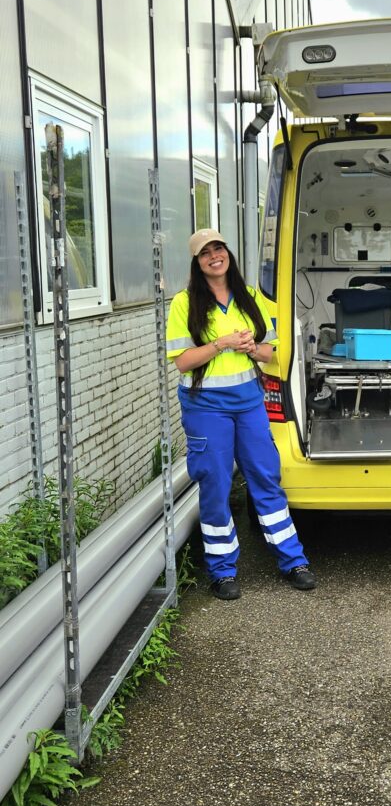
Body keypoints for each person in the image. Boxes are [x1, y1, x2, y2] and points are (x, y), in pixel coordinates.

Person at [166, 228, 316, 599]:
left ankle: (293, 561)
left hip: (249, 402)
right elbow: (183, 362)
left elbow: (270, 354)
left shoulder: (250, 298)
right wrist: (221, 344)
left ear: (228, 253)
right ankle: (222, 571)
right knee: (215, 484)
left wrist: (252, 347)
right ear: (197, 262)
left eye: (219, 248)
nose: (214, 256)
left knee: (266, 477)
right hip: (205, 407)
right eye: (205, 253)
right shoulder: (184, 303)